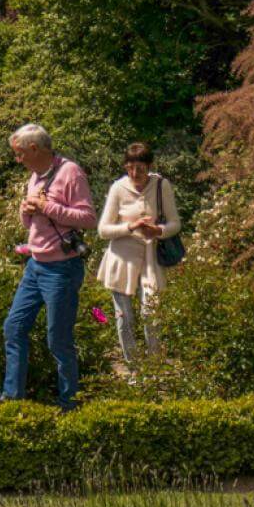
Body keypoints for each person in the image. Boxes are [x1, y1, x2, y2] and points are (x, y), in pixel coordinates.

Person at [0, 124, 97, 410]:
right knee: (14, 327)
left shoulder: (70, 173)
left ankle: (69, 404)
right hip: (36, 265)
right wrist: (26, 210)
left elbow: (88, 218)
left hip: (62, 269)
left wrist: (47, 208)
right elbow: (31, 225)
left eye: (19, 154)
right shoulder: (35, 176)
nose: (17, 160)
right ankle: (12, 397)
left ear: (34, 149)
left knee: (58, 340)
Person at [95, 142, 181, 363]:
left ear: (149, 166)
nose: (135, 174)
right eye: (130, 168)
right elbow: (103, 230)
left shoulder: (162, 185)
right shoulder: (118, 188)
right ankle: (133, 368)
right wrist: (130, 227)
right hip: (121, 259)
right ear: (125, 166)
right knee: (124, 317)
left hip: (151, 260)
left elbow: (175, 224)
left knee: (150, 315)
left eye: (140, 169)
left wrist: (158, 230)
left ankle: (153, 367)